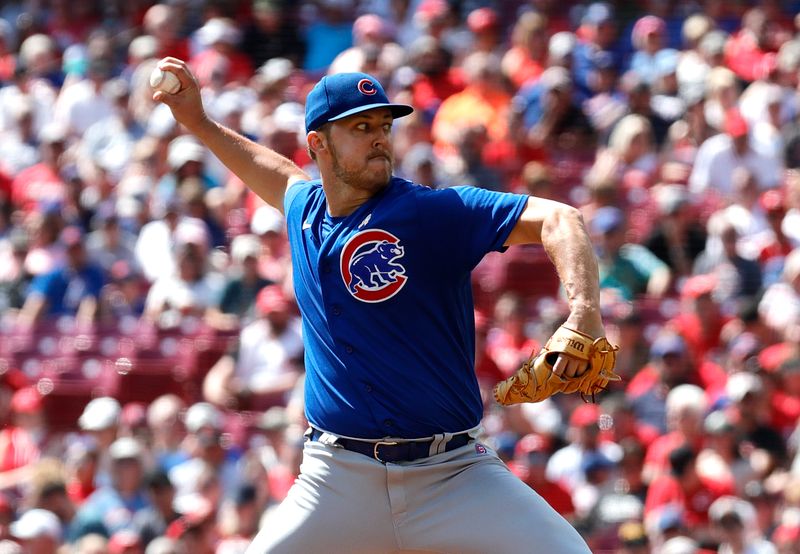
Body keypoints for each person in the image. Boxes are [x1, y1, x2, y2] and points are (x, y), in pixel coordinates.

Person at [154, 57, 607, 552]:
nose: (379, 137)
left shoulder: (429, 213)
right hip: (337, 480)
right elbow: (277, 174)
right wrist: (198, 123)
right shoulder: (304, 210)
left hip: (452, 473)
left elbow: (560, 218)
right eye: (361, 126)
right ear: (318, 145)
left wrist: (583, 311)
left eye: (384, 126)